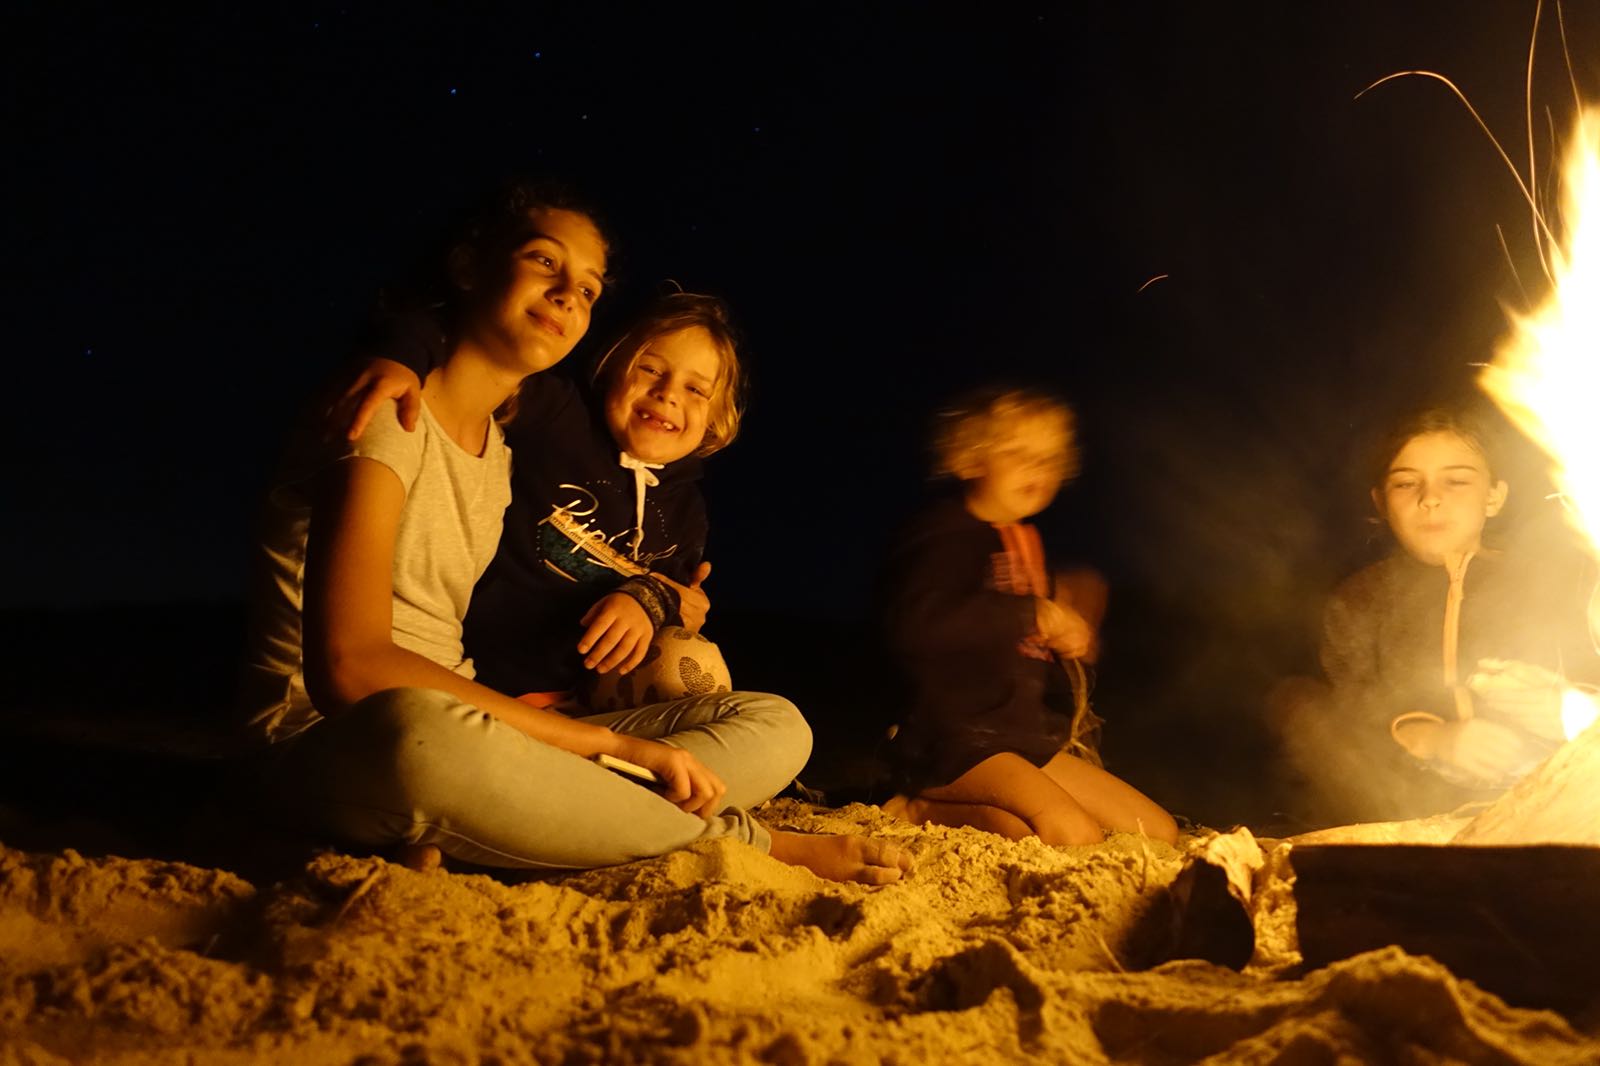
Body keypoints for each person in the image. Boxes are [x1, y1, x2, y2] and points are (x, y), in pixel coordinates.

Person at [237, 177, 910, 884]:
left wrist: (654, 598)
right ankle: (746, 842)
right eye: (543, 261)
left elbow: (640, 571)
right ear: (469, 266)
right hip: (336, 737)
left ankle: (520, 825)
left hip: (485, 728)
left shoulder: (500, 453)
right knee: (421, 740)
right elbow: (351, 668)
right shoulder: (386, 407)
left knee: (775, 724)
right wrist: (599, 748)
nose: (567, 294)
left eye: (589, 288)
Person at [336, 289, 742, 712]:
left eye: (696, 389)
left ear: (717, 419)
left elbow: (677, 596)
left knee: (724, 689)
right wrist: (401, 359)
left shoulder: (687, 511)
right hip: (477, 678)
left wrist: (647, 598)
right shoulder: (558, 416)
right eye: (650, 368)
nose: (668, 394)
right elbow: (468, 352)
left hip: (584, 700)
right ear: (611, 368)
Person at [876, 385, 1179, 846]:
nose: (1037, 468)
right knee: (1070, 832)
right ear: (970, 457)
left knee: (1157, 831)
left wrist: (1070, 641)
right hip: (949, 740)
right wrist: (1031, 613)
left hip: (1020, 739)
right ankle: (918, 806)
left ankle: (989, 807)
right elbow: (915, 625)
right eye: (1018, 454)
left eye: (1050, 459)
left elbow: (1019, 654)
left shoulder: (1023, 547)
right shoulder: (944, 532)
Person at [1271, 406, 1600, 824]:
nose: (1430, 499)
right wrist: (1433, 738)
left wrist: (1561, 705)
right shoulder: (1359, 599)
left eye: (1457, 480)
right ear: (1381, 502)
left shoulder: (1552, 584)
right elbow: (1351, 707)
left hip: (1548, 804)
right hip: (1408, 809)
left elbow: (1588, 674)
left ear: (1494, 497)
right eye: (1406, 483)